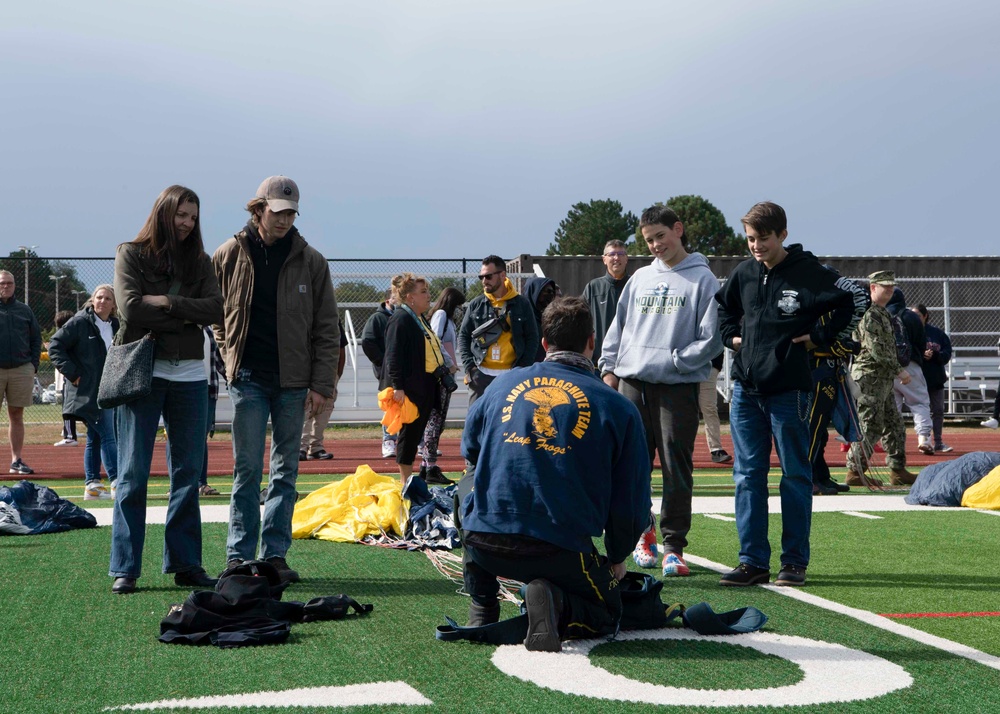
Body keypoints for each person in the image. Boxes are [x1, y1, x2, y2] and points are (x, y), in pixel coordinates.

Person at [460, 296, 651, 651]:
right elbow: (631, 498)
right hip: (557, 551)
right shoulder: (618, 407)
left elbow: (470, 451)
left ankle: (482, 603)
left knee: (468, 484)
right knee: (608, 613)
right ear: (591, 342)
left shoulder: (499, 387)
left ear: (545, 344)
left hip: (485, 543)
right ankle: (554, 602)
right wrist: (618, 556)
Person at [715, 201, 861, 588]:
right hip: (746, 391)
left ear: (783, 234)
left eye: (763, 238)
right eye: (750, 239)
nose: (756, 246)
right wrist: (732, 338)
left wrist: (821, 337)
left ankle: (794, 562)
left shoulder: (810, 273)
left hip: (790, 392)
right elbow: (723, 311)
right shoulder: (744, 273)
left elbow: (853, 300)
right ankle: (752, 562)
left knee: (795, 475)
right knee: (747, 476)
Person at [214, 176, 340, 585]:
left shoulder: (312, 261)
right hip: (247, 377)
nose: (285, 219)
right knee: (247, 469)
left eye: (291, 213)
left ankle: (274, 556)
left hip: (294, 381)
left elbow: (327, 326)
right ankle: (238, 556)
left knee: (285, 471)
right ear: (259, 209)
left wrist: (323, 384)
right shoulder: (229, 254)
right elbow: (215, 313)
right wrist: (227, 352)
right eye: (278, 212)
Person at [109, 185, 223, 595]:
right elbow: (131, 308)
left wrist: (169, 305)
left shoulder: (202, 262)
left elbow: (215, 308)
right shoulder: (131, 253)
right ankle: (126, 566)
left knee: (187, 474)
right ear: (163, 212)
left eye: (193, 216)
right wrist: (184, 316)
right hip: (144, 373)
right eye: (181, 214)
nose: (187, 223)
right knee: (133, 473)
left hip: (191, 376)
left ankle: (185, 563)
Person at [599, 205, 721, 578]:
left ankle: (673, 547)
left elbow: (711, 338)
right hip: (633, 385)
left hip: (677, 389)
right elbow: (618, 329)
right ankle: (642, 534)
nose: (655, 245)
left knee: (675, 468)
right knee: (630, 468)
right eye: (649, 239)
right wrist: (609, 369)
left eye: (660, 236)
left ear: (678, 229)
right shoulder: (638, 279)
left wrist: (677, 361)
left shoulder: (703, 280)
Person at [48, 285, 120, 500]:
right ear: (92, 300)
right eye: (99, 297)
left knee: (95, 437)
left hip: (110, 389)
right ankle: (118, 481)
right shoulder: (80, 322)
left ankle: (92, 485)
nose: (102, 301)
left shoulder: (116, 324)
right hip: (88, 391)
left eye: (108, 298)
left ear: (114, 304)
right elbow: (55, 345)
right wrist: (73, 374)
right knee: (108, 434)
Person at [846, 272, 917, 487]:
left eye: (891, 287)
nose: (889, 290)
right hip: (870, 378)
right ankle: (855, 470)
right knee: (870, 425)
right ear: (872, 288)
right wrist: (900, 371)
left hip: (881, 378)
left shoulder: (881, 313)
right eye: (884, 286)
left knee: (895, 425)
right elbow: (877, 350)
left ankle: (897, 469)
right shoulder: (870, 315)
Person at [382, 273, 450, 486]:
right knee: (409, 434)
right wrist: (398, 386)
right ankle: (405, 481)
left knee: (418, 432)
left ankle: (411, 479)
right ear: (410, 297)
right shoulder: (401, 319)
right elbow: (393, 355)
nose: (429, 296)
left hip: (426, 384)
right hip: (410, 388)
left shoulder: (419, 318)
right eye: (423, 292)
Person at [457, 255, 538, 406]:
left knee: (508, 423)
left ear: (502, 275)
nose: (484, 281)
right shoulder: (476, 305)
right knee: (477, 423)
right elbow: (463, 336)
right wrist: (471, 368)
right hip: (480, 375)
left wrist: (523, 369)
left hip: (512, 375)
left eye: (488, 276)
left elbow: (532, 338)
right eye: (481, 277)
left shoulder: (521, 304)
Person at [419, 287, 465, 482]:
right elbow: (434, 341)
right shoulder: (441, 315)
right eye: (458, 305)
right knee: (434, 421)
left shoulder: (448, 318)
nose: (460, 310)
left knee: (439, 421)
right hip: (440, 375)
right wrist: (449, 364)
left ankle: (425, 466)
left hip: (447, 374)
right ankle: (430, 466)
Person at [0, 270, 41, 476]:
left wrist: (33, 364)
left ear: (15, 285)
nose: (5, 286)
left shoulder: (24, 310)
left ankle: (16, 460)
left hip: (20, 369)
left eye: (9, 283)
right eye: (1, 283)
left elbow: (36, 339)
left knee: (16, 415)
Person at [887, 288, 934, 455]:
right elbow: (921, 342)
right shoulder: (911, 316)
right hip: (910, 364)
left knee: (893, 408)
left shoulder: (879, 315)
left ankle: (894, 445)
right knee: (919, 402)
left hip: (887, 367)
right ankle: (924, 439)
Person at [300, 318, 348, 461]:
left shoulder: (332, 318)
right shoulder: (304, 314)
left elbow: (341, 347)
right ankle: (301, 447)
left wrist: (337, 375)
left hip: (328, 370)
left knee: (325, 409)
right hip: (306, 368)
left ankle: (316, 447)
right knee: (306, 407)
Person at [582, 239, 629, 369]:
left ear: (626, 259)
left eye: (620, 254)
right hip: (598, 363)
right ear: (604, 259)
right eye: (612, 254)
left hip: (630, 362)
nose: (616, 258)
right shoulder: (593, 287)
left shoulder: (636, 285)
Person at [912, 304, 953, 453]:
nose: (915, 318)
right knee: (920, 411)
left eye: (918, 315)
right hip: (916, 379)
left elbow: (947, 354)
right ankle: (924, 441)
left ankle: (939, 442)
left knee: (938, 410)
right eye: (912, 315)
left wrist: (934, 355)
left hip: (935, 378)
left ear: (925, 316)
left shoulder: (937, 334)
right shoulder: (909, 333)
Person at [362, 290, 398, 458]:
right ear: (387, 300)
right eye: (395, 298)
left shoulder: (406, 316)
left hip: (406, 369)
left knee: (410, 404)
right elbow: (368, 342)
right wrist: (382, 362)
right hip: (388, 370)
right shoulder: (377, 318)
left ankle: (417, 442)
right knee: (390, 404)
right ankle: (389, 440)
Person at [198, 326, 225, 497]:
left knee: (201, 438)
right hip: (185, 387)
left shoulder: (209, 331)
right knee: (177, 437)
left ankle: (201, 483)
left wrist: (232, 378)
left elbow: (219, 361)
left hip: (208, 390)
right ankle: (176, 483)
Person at [52, 309, 79, 447]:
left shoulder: (66, 337)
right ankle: (69, 432)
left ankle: (69, 435)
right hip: (73, 375)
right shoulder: (76, 335)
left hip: (72, 377)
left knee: (68, 407)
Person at [701, 353, 730, 464]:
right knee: (684, 410)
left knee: (710, 409)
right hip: (685, 368)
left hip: (708, 367)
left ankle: (716, 449)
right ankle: (680, 449)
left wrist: (715, 367)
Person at [523, 277, 559, 362]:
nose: (550, 296)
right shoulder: (522, 320)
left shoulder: (551, 320)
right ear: (535, 292)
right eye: (547, 291)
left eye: (552, 292)